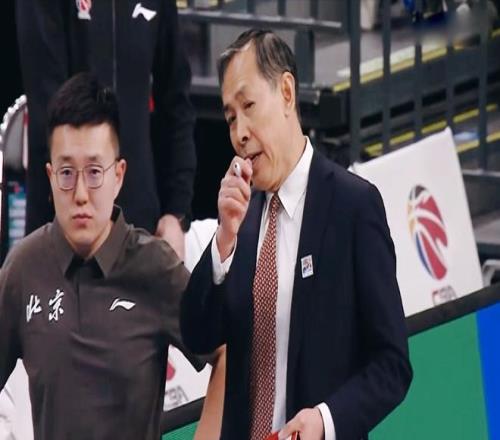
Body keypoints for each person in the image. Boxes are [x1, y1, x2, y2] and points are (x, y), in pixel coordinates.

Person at [181, 29, 413, 440]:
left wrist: (325, 419)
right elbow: (198, 335)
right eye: (231, 117)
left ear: (286, 92)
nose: (239, 132)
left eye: (249, 106)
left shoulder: (353, 206)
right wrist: (223, 242)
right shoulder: (240, 218)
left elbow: (392, 364)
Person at [0, 73, 217, 440]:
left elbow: (225, 354)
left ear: (119, 175)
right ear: (50, 177)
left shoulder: (156, 267)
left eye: (94, 172)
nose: (80, 193)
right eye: (66, 173)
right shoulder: (24, 269)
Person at [15, 0, 195, 259]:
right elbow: (49, 111)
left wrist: (176, 213)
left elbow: (176, 103)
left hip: (140, 225)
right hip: (63, 225)